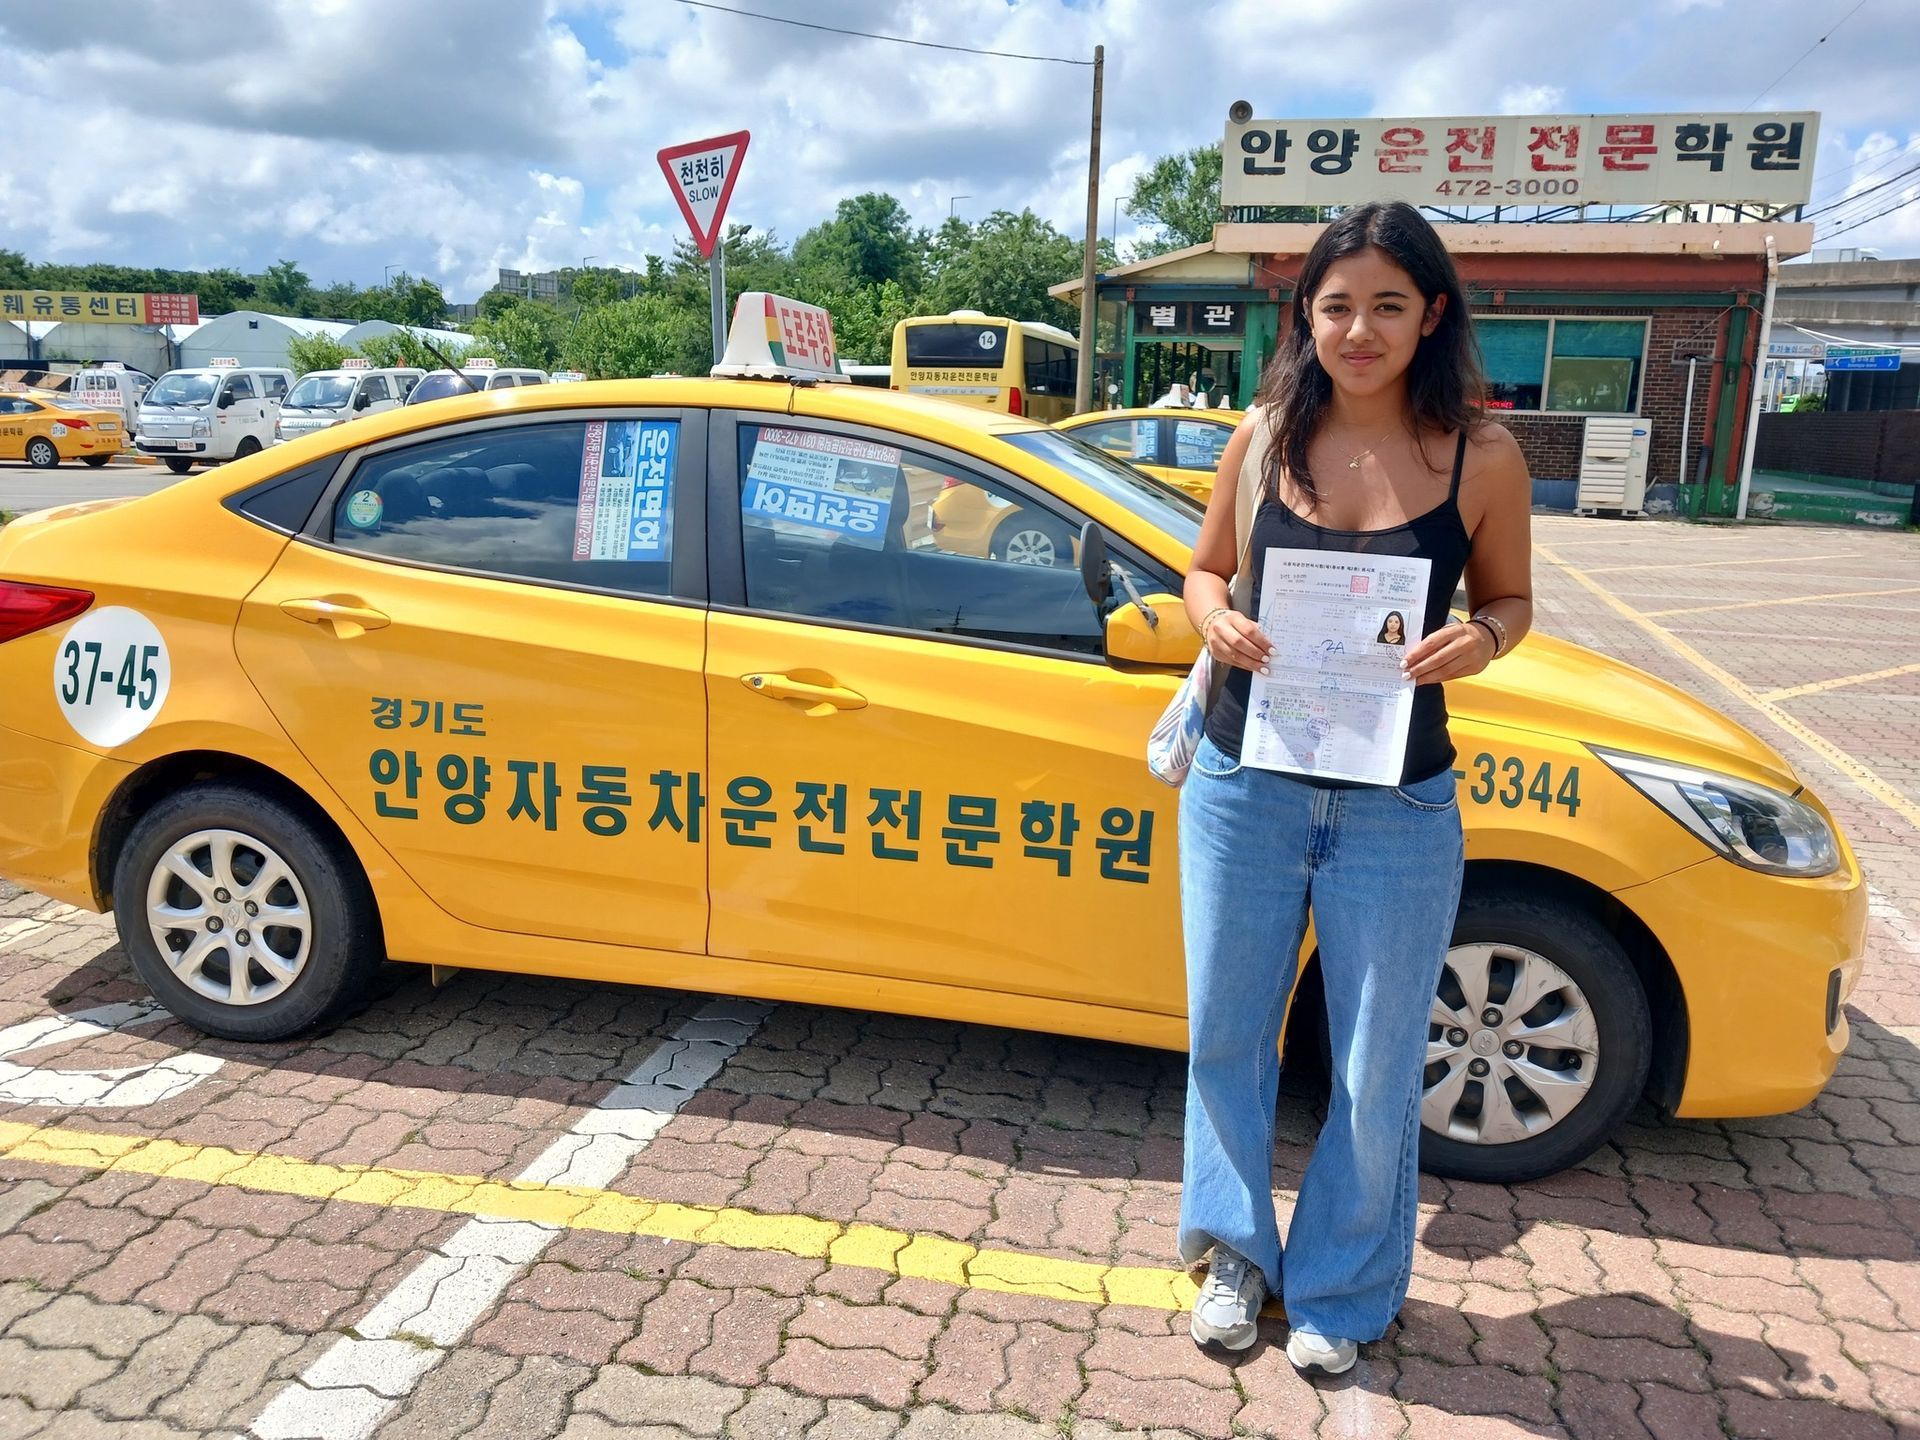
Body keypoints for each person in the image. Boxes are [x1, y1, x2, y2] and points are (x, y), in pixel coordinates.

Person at [1177, 200, 1533, 1376]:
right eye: (1338, 306)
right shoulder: (1266, 431)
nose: (1360, 329)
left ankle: (1339, 1284)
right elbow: (1205, 566)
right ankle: (1234, 1252)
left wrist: (1479, 640)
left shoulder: (1482, 457)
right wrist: (1217, 617)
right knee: (1230, 1033)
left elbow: (1512, 602)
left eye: (1388, 304)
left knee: (1377, 1061)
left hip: (1396, 801)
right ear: (1306, 316)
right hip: (1247, 782)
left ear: (1433, 313)